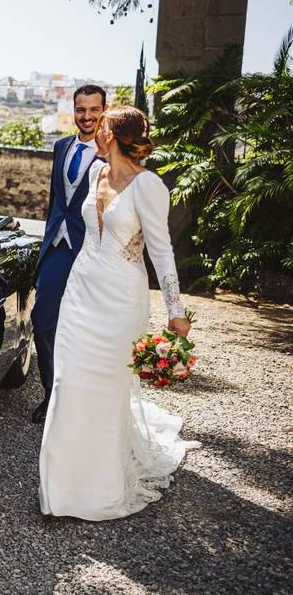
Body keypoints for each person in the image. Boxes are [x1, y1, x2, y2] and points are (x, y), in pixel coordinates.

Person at [38, 106, 200, 521]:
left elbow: (161, 253)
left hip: (121, 299)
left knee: (107, 390)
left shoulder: (149, 187)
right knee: (69, 381)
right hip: (81, 290)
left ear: (112, 134)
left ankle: (101, 490)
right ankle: (60, 488)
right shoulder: (94, 174)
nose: (94, 127)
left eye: (102, 123)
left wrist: (175, 311)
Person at [30, 85, 106, 424]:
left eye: (93, 109)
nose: (87, 116)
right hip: (58, 247)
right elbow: (55, 201)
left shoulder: (113, 154)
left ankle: (83, 402)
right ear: (72, 110)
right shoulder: (61, 147)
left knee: (84, 329)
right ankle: (52, 394)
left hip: (92, 251)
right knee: (43, 321)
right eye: (80, 109)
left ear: (104, 111)